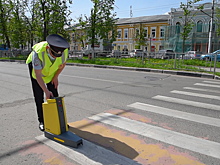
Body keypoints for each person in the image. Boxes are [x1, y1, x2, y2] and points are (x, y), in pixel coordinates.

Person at [26, 34, 70, 131]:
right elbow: (38, 75)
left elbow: (62, 65)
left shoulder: (63, 51)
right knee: (39, 95)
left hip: (52, 70)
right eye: (53, 55)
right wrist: (46, 90)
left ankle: (59, 120)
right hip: (37, 71)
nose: (55, 57)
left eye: (57, 56)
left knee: (54, 94)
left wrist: (55, 77)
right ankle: (42, 121)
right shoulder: (38, 53)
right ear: (48, 48)